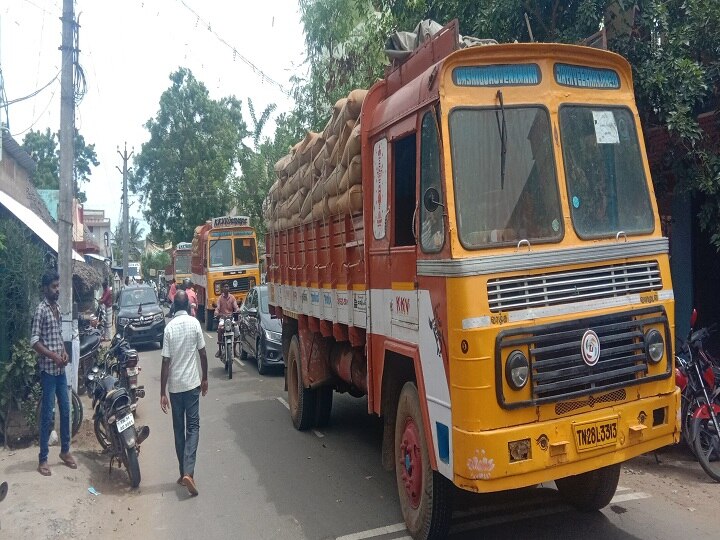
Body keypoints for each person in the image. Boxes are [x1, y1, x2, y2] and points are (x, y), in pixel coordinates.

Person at [160, 290, 208, 496]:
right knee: (194, 428)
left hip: (175, 388)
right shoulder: (195, 324)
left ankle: (183, 473)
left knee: (179, 430)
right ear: (188, 306)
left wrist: (161, 391)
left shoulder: (169, 327)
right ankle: (188, 471)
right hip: (191, 385)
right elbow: (203, 353)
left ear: (173, 307)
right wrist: (205, 378)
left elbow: (165, 361)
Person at [31, 270, 77, 476]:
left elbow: (57, 337)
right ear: (45, 288)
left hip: (60, 371)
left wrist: (64, 353)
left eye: (58, 286)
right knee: (48, 414)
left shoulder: (57, 308)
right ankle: (43, 459)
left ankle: (65, 451)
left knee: (66, 411)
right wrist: (53, 357)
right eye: (54, 287)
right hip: (48, 372)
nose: (57, 289)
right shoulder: (41, 310)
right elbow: (35, 342)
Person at [214, 283, 239, 358]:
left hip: (231, 318)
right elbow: (217, 308)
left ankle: (234, 349)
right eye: (225, 287)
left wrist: (237, 310)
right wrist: (216, 312)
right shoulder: (219, 298)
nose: (226, 288)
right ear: (222, 289)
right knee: (220, 328)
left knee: (236, 328)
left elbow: (236, 306)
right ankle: (220, 350)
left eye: (227, 286)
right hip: (222, 318)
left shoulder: (232, 297)